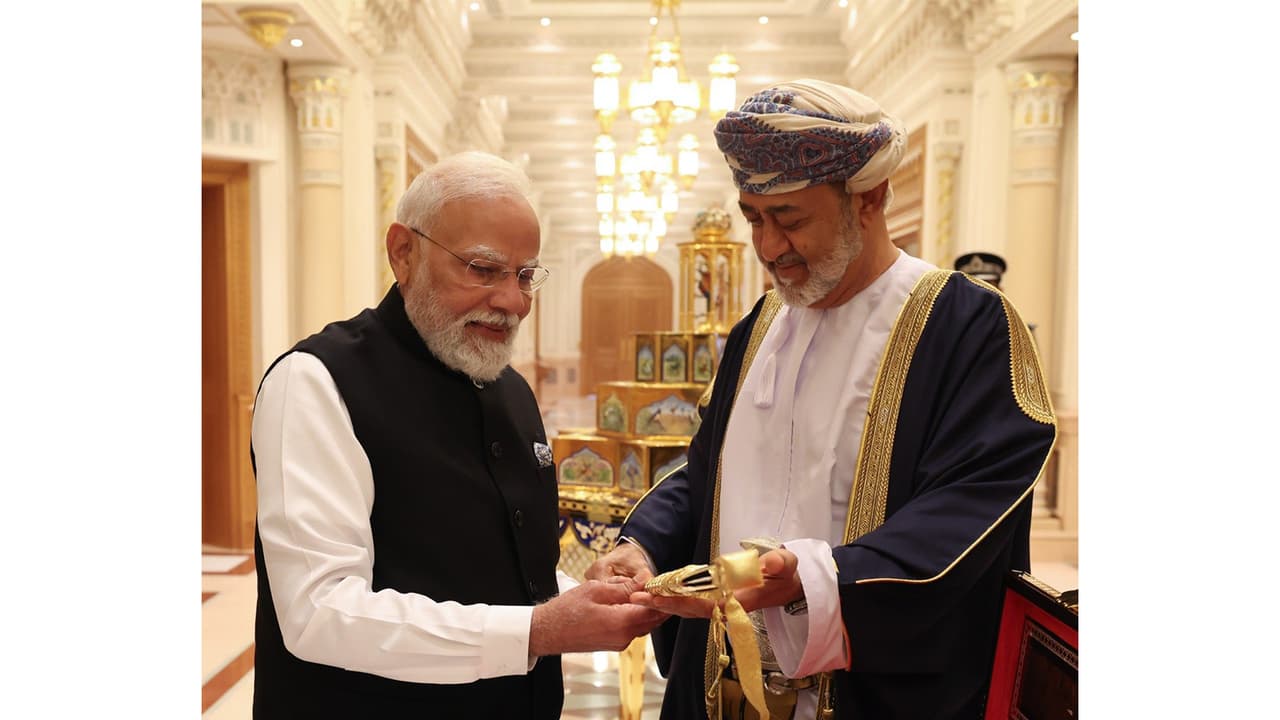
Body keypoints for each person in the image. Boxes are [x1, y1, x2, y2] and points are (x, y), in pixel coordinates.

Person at [587, 80, 1058, 719]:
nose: (768, 247)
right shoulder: (759, 326)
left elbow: (970, 505)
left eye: (790, 219)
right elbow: (708, 474)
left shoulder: (965, 325)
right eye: (754, 217)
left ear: (870, 198)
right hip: (721, 680)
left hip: (872, 689)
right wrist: (642, 543)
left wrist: (810, 580)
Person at [250, 151, 664, 718]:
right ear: (403, 252)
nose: (513, 302)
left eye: (524, 276)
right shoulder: (317, 382)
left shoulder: (511, 389)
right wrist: (540, 630)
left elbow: (497, 579)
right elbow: (319, 612)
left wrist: (587, 602)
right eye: (482, 269)